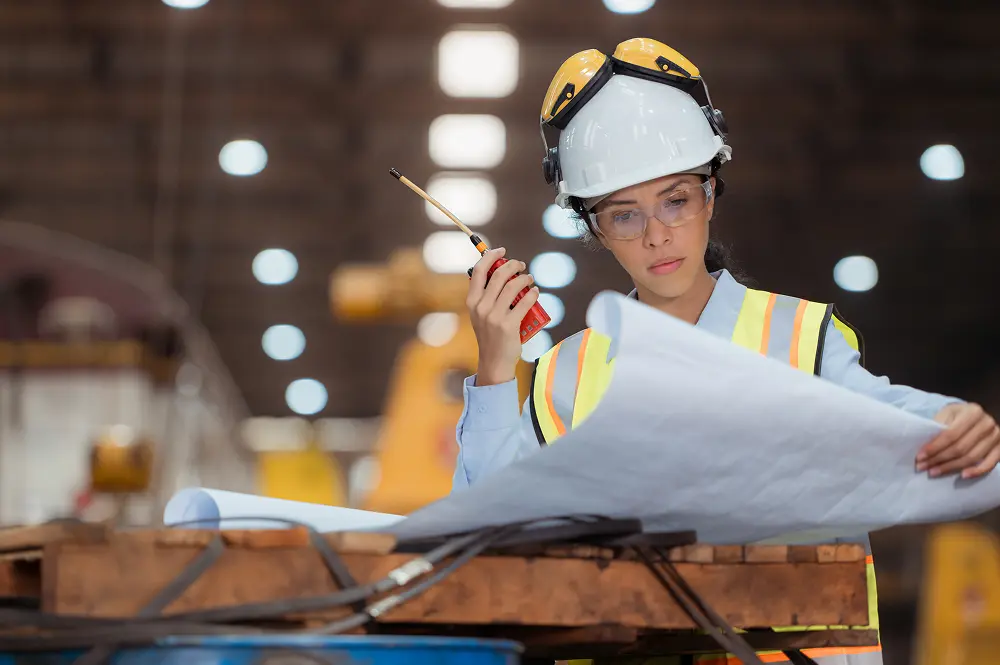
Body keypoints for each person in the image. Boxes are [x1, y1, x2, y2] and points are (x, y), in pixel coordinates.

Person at [452, 38, 1000, 665]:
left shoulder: (796, 339)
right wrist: (496, 368)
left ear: (711, 193)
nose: (658, 235)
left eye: (676, 200)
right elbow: (482, 538)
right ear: (594, 230)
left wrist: (948, 420)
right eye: (623, 215)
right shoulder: (563, 379)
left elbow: (888, 417)